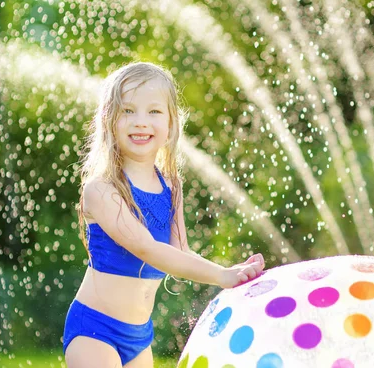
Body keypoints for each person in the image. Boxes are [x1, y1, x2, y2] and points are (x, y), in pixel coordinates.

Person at [63, 62, 265, 367]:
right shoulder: (102, 189)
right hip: (94, 330)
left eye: (154, 112)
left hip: (139, 336)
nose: (141, 122)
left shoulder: (171, 185)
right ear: (108, 120)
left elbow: (179, 251)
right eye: (128, 111)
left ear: (171, 124)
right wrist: (222, 276)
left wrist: (230, 270)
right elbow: (148, 249)